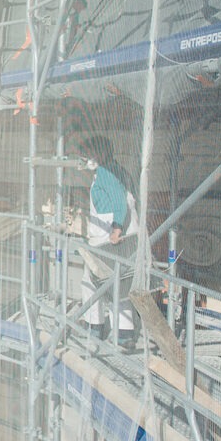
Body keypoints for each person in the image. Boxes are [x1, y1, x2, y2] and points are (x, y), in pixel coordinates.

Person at [79, 135, 138, 348]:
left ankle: (95, 326)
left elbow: (119, 203)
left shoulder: (105, 172)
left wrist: (116, 229)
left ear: (100, 154)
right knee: (120, 285)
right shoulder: (118, 169)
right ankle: (124, 333)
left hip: (108, 236)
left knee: (90, 281)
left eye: (88, 153)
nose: (85, 158)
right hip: (125, 234)